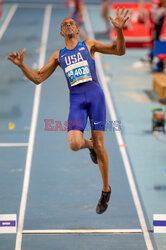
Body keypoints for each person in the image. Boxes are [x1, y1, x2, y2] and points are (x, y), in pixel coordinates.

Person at [8, 7, 129, 214]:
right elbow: (38, 78)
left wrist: (119, 30)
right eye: (64, 24)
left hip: (95, 97)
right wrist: (22, 66)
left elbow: (119, 50)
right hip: (77, 101)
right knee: (74, 144)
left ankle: (105, 190)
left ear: (79, 30)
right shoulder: (59, 55)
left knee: (102, 143)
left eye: (72, 23)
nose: (68, 24)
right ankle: (90, 144)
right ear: (61, 33)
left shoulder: (88, 45)